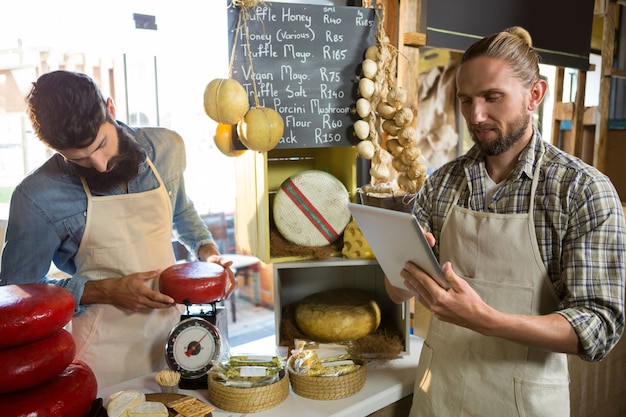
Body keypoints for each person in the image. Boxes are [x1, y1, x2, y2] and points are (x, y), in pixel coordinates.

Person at [385, 27, 626, 416]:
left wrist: (487, 320)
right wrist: (405, 268)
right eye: (465, 100)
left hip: (523, 403)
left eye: (492, 97)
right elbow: (396, 293)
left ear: (535, 95)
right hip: (438, 398)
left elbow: (598, 328)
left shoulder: (581, 191)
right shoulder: (441, 183)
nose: (476, 115)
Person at [0, 70, 235, 387]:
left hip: (177, 338)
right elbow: (18, 290)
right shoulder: (36, 196)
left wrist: (207, 252)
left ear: (111, 109)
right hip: (103, 357)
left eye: (101, 145)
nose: (98, 164)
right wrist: (104, 291)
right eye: (79, 159)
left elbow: (180, 208)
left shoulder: (167, 148)